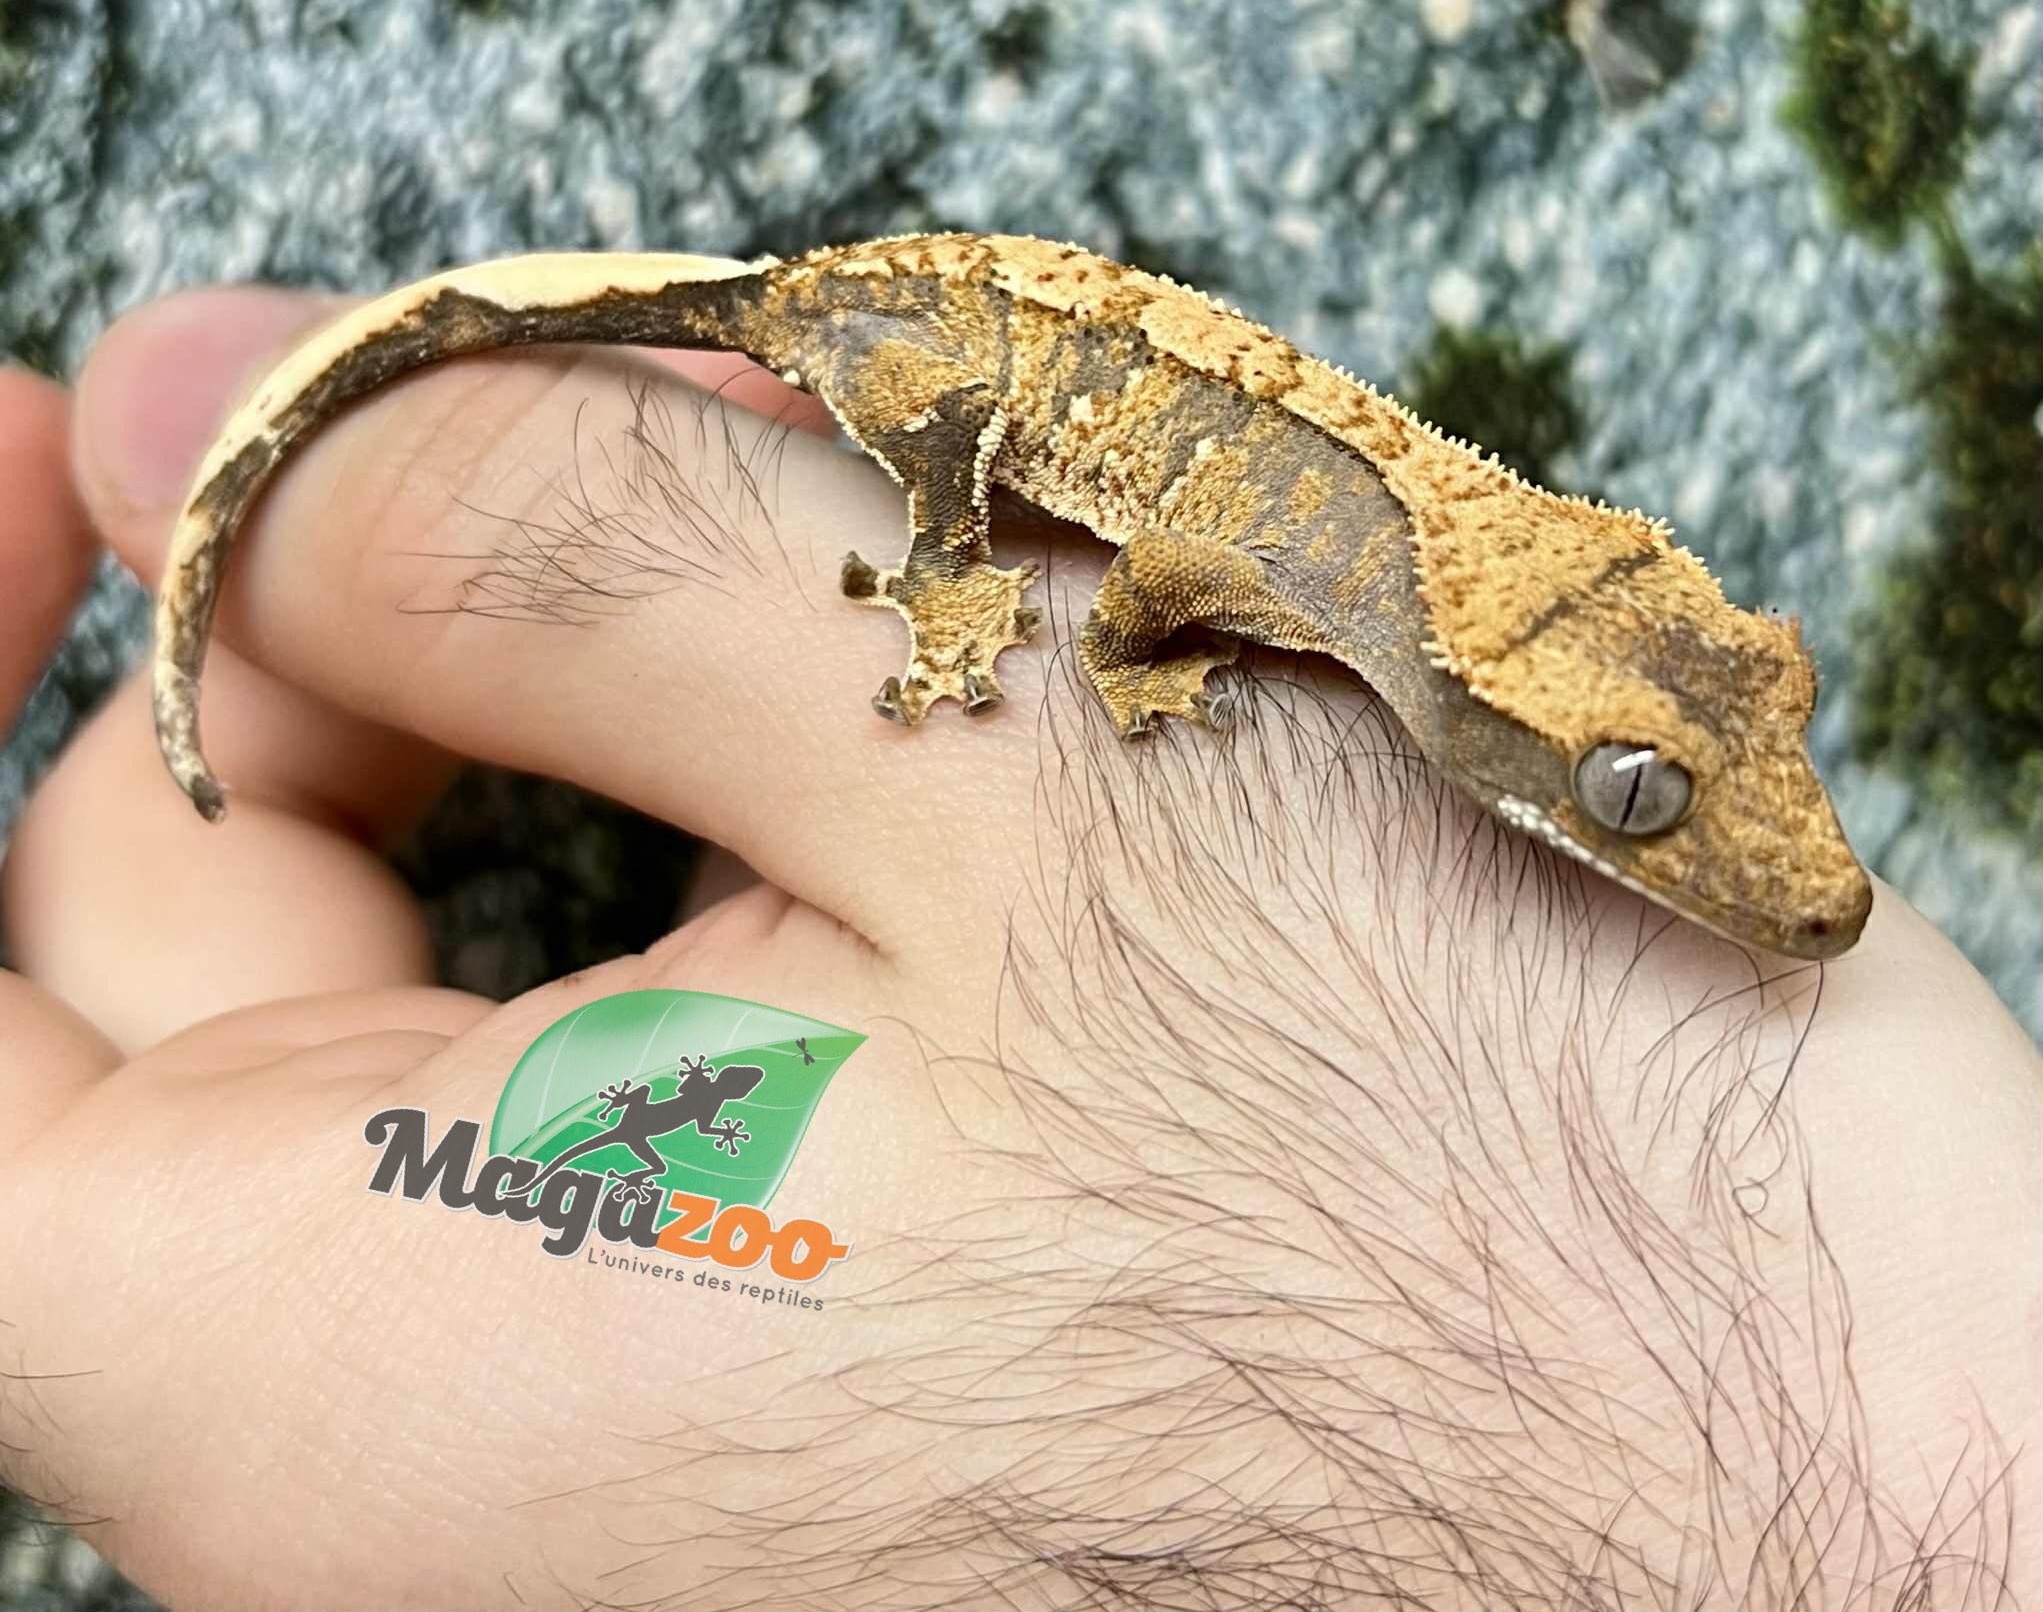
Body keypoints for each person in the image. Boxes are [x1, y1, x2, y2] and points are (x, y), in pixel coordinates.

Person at [0, 285, 2036, 1612]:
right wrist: (990, 608)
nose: (1815, 891)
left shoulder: (1442, 608)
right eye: (1633, 797)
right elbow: (1152, 587)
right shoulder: (1341, 593)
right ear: (1489, 702)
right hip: (918, 352)